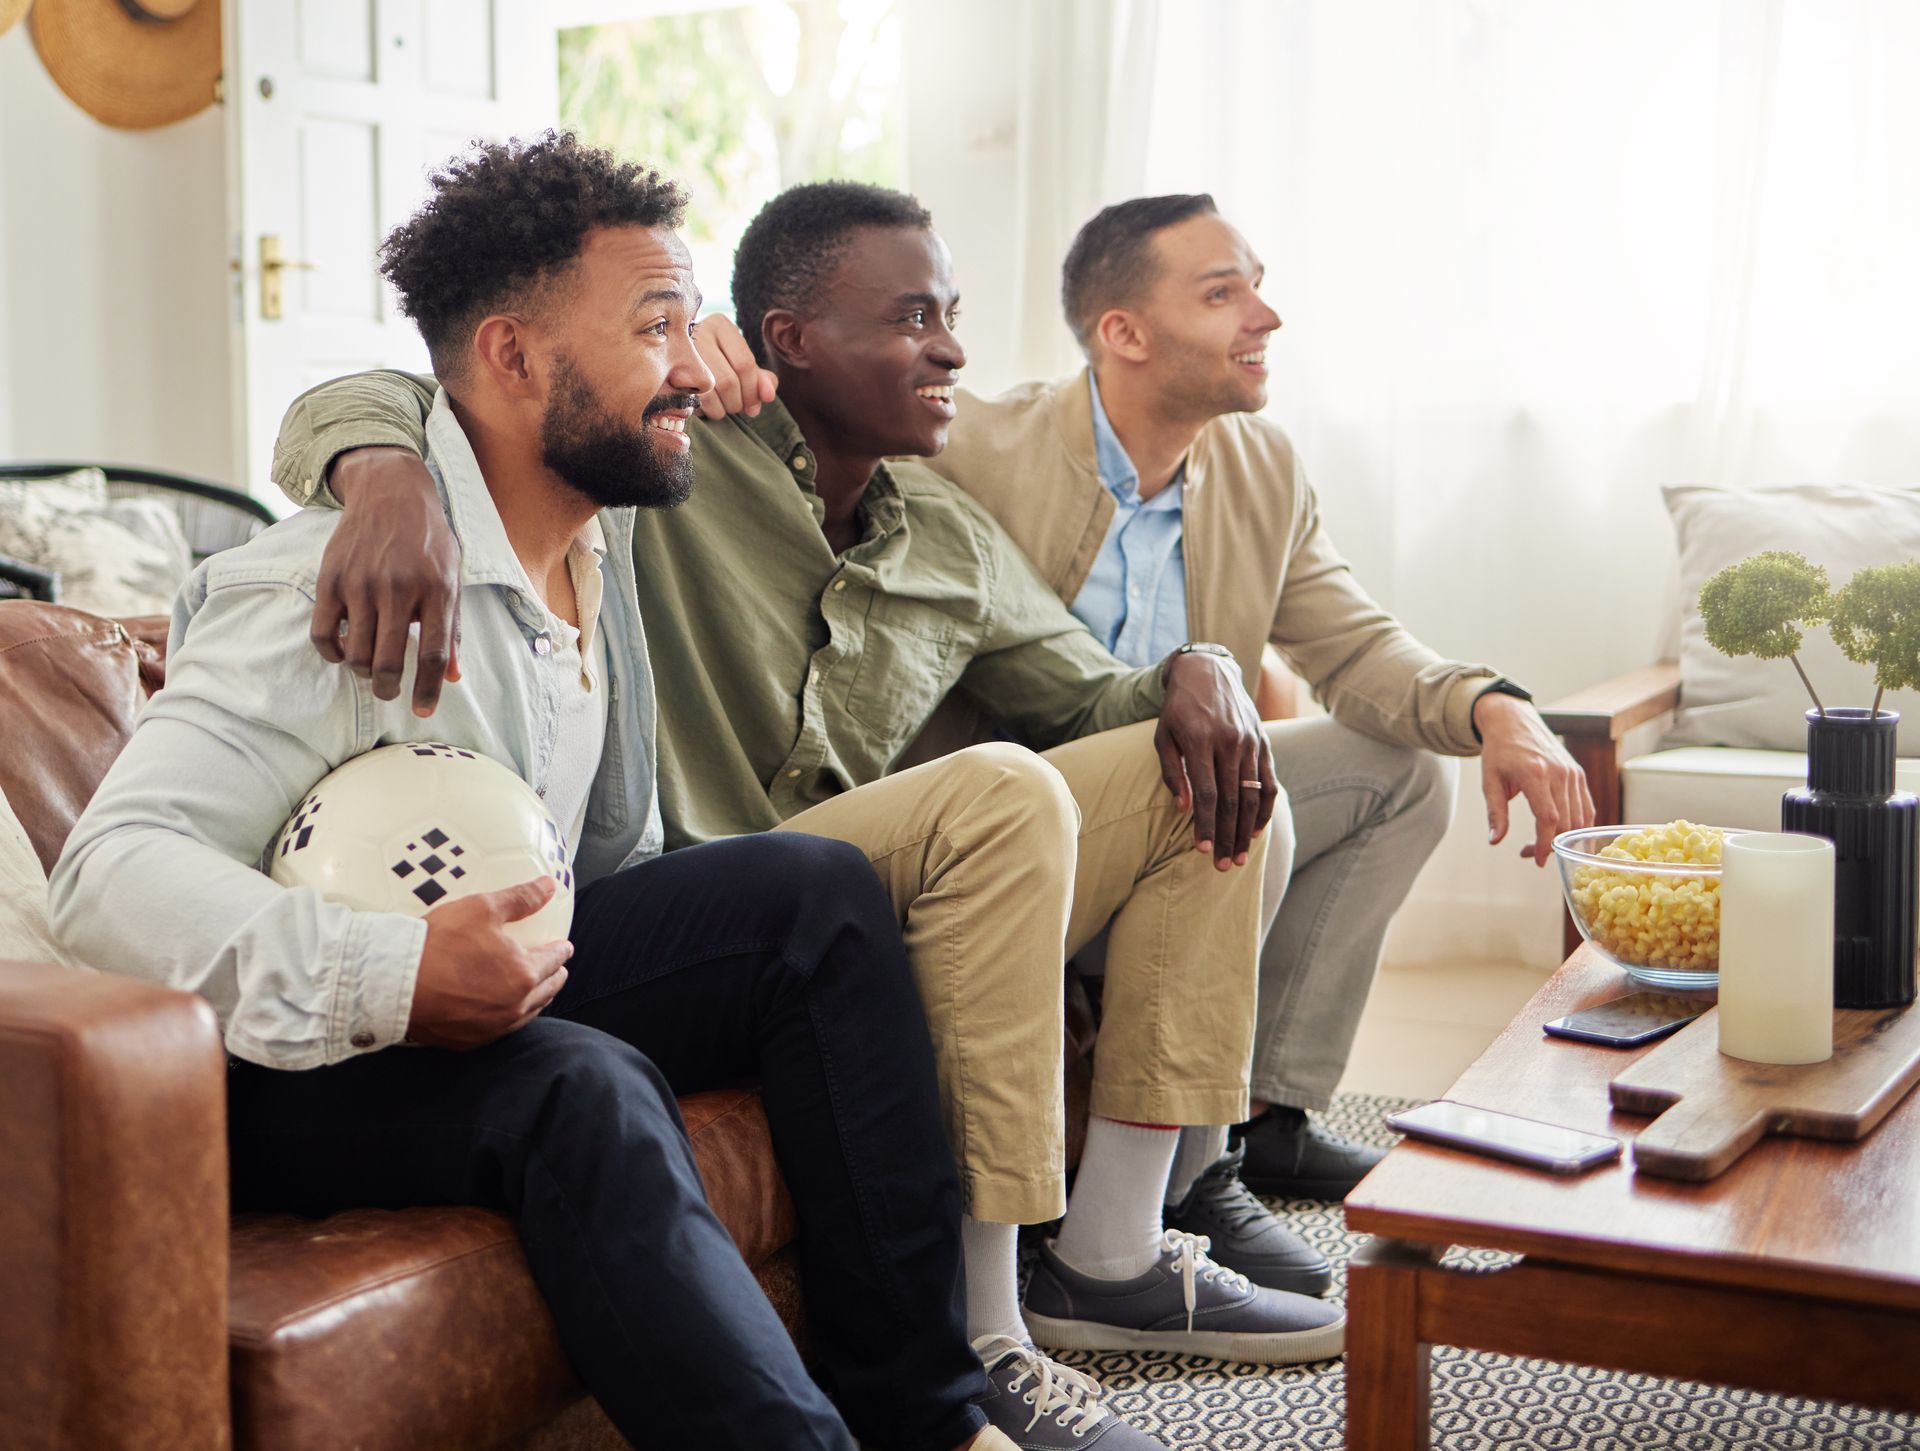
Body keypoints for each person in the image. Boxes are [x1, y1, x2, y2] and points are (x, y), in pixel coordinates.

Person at [266, 179, 1346, 1441]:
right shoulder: (670, 454)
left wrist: (1202, 668)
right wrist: (380, 475)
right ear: (787, 341)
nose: (951, 346)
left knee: (1209, 768)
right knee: (999, 792)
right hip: (683, 901)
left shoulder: (946, 528)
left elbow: (1097, 694)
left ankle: (1106, 1257)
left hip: (841, 889)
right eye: (910, 318)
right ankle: (982, 1331)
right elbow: (420, 387)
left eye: (950, 315)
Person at [49, 134, 1019, 1451]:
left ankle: (932, 1415)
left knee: (817, 894)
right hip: (291, 1060)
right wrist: (388, 970)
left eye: (687, 320)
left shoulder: (600, 540)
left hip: (503, 964)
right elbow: (109, 871)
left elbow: (614, 861)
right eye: (653, 325)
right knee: (583, 1084)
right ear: (511, 357)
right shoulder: (324, 594)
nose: (693, 362)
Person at [691, 194, 1595, 1287]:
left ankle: (1243, 1135)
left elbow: (1349, 644)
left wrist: (1493, 705)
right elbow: (773, 392)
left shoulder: (1250, 472)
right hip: (977, 820)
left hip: (1109, 778)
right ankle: (1099, 1248)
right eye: (1223, 291)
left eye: (1255, 283)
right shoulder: (958, 441)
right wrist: (688, 345)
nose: (1265, 315)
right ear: (1124, 332)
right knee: (1138, 778)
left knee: (1375, 768)